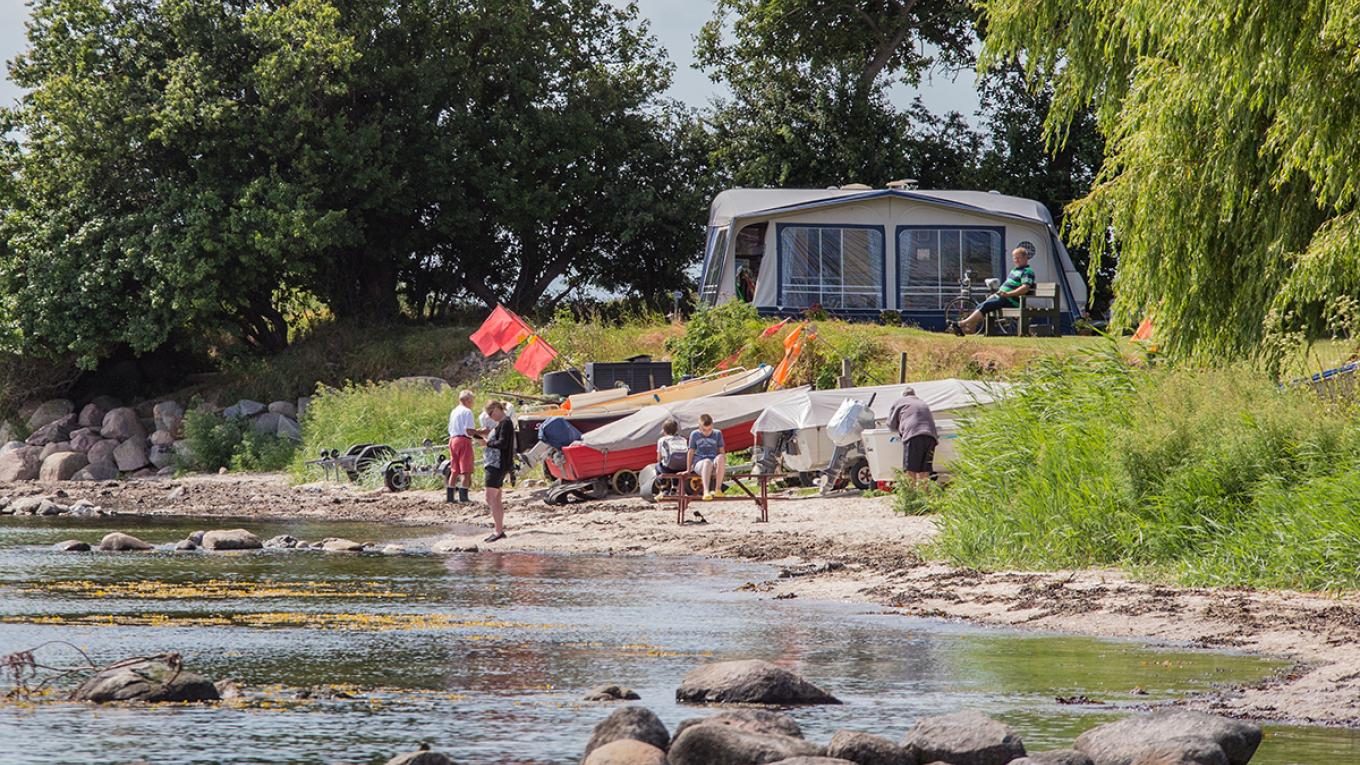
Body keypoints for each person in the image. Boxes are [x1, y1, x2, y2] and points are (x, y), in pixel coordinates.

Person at [951, 247, 1037, 335]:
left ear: (1025, 258)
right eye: (1014, 258)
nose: (1016, 260)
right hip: (1003, 297)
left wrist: (1008, 294)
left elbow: (1025, 288)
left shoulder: (1027, 271)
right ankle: (968, 329)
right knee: (981, 305)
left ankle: (961, 324)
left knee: (986, 305)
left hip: (1011, 300)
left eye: (1018, 258)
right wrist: (997, 294)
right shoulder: (1014, 270)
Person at [887, 386, 938, 488]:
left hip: (913, 435)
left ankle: (911, 497)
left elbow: (890, 424)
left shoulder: (900, 402)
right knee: (924, 471)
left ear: (903, 396)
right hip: (931, 436)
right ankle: (924, 499)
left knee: (911, 470)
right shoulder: (922, 402)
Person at [481, 400, 514, 542]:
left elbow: (503, 443)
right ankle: (498, 529)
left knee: (490, 498)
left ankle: (498, 530)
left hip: (497, 465)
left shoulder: (505, 423)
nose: (489, 416)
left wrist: (487, 443)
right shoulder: (503, 423)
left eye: (490, 413)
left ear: (496, 409)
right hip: (497, 464)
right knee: (496, 499)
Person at [446, 390, 485, 503]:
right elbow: (469, 431)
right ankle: (463, 497)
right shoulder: (467, 412)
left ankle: (450, 497)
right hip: (463, 440)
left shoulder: (454, 411)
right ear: (467, 400)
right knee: (466, 470)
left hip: (453, 440)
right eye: (472, 400)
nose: (473, 403)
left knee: (454, 470)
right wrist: (481, 434)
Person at [687, 413, 726, 501]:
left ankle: (718, 489)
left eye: (709, 429)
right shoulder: (694, 434)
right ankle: (706, 491)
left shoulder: (717, 433)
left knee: (720, 457)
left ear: (712, 425)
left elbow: (721, 450)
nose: (707, 432)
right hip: (700, 463)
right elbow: (691, 452)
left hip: (713, 463)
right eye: (704, 430)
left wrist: (723, 465)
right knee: (707, 461)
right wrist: (688, 469)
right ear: (700, 427)